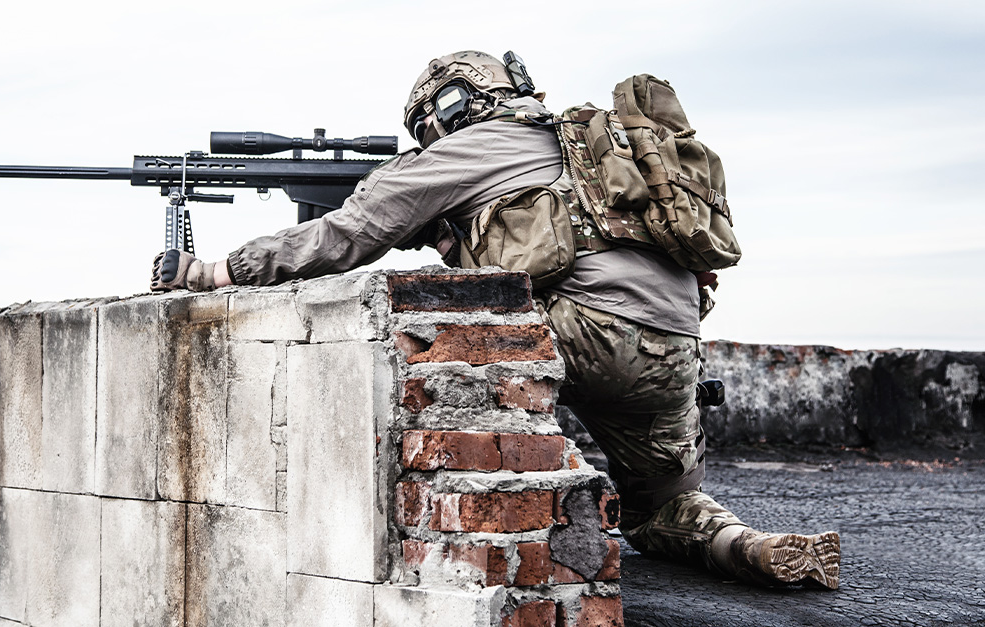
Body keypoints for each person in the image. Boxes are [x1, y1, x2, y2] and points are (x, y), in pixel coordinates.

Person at [149, 50, 841, 589]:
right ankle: (742, 544)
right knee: (660, 507)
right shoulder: (593, 146)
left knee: (432, 334)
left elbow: (347, 234)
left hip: (577, 334)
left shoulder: (462, 151)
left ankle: (498, 518)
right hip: (672, 351)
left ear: (447, 110)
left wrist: (215, 272)